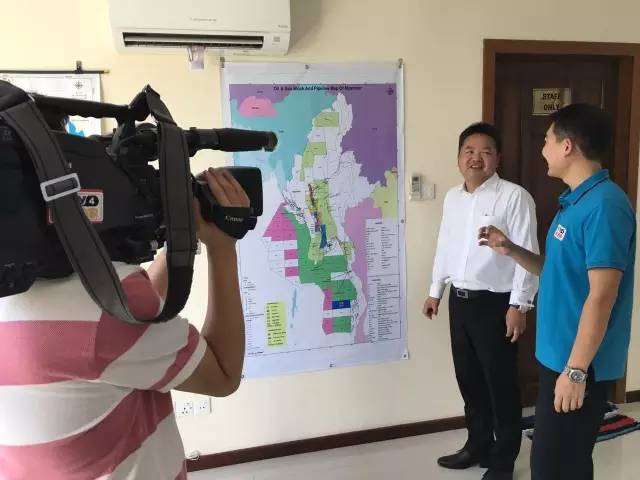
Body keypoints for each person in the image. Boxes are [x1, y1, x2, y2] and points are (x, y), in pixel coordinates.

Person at [0, 168, 249, 479]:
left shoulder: (16, 287)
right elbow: (222, 375)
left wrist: (181, 240)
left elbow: (137, 327)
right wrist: (222, 246)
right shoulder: (102, 310)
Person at [479, 103, 636, 480]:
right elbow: (557, 272)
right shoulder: (574, 202)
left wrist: (576, 372)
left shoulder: (605, 205)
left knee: (556, 467)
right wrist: (511, 249)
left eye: (547, 139)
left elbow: (602, 296)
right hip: (558, 358)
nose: (542, 148)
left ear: (567, 146)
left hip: (578, 363)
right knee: (561, 465)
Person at [423, 122, 539, 480]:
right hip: (459, 303)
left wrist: (519, 306)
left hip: (496, 304)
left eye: (485, 152)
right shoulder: (453, 197)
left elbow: (528, 253)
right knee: (469, 380)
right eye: (469, 151)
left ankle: (503, 460)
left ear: (497, 158)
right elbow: (445, 245)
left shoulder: (515, 197)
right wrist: (435, 290)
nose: (476, 158)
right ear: (459, 157)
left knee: (500, 385)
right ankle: (477, 445)